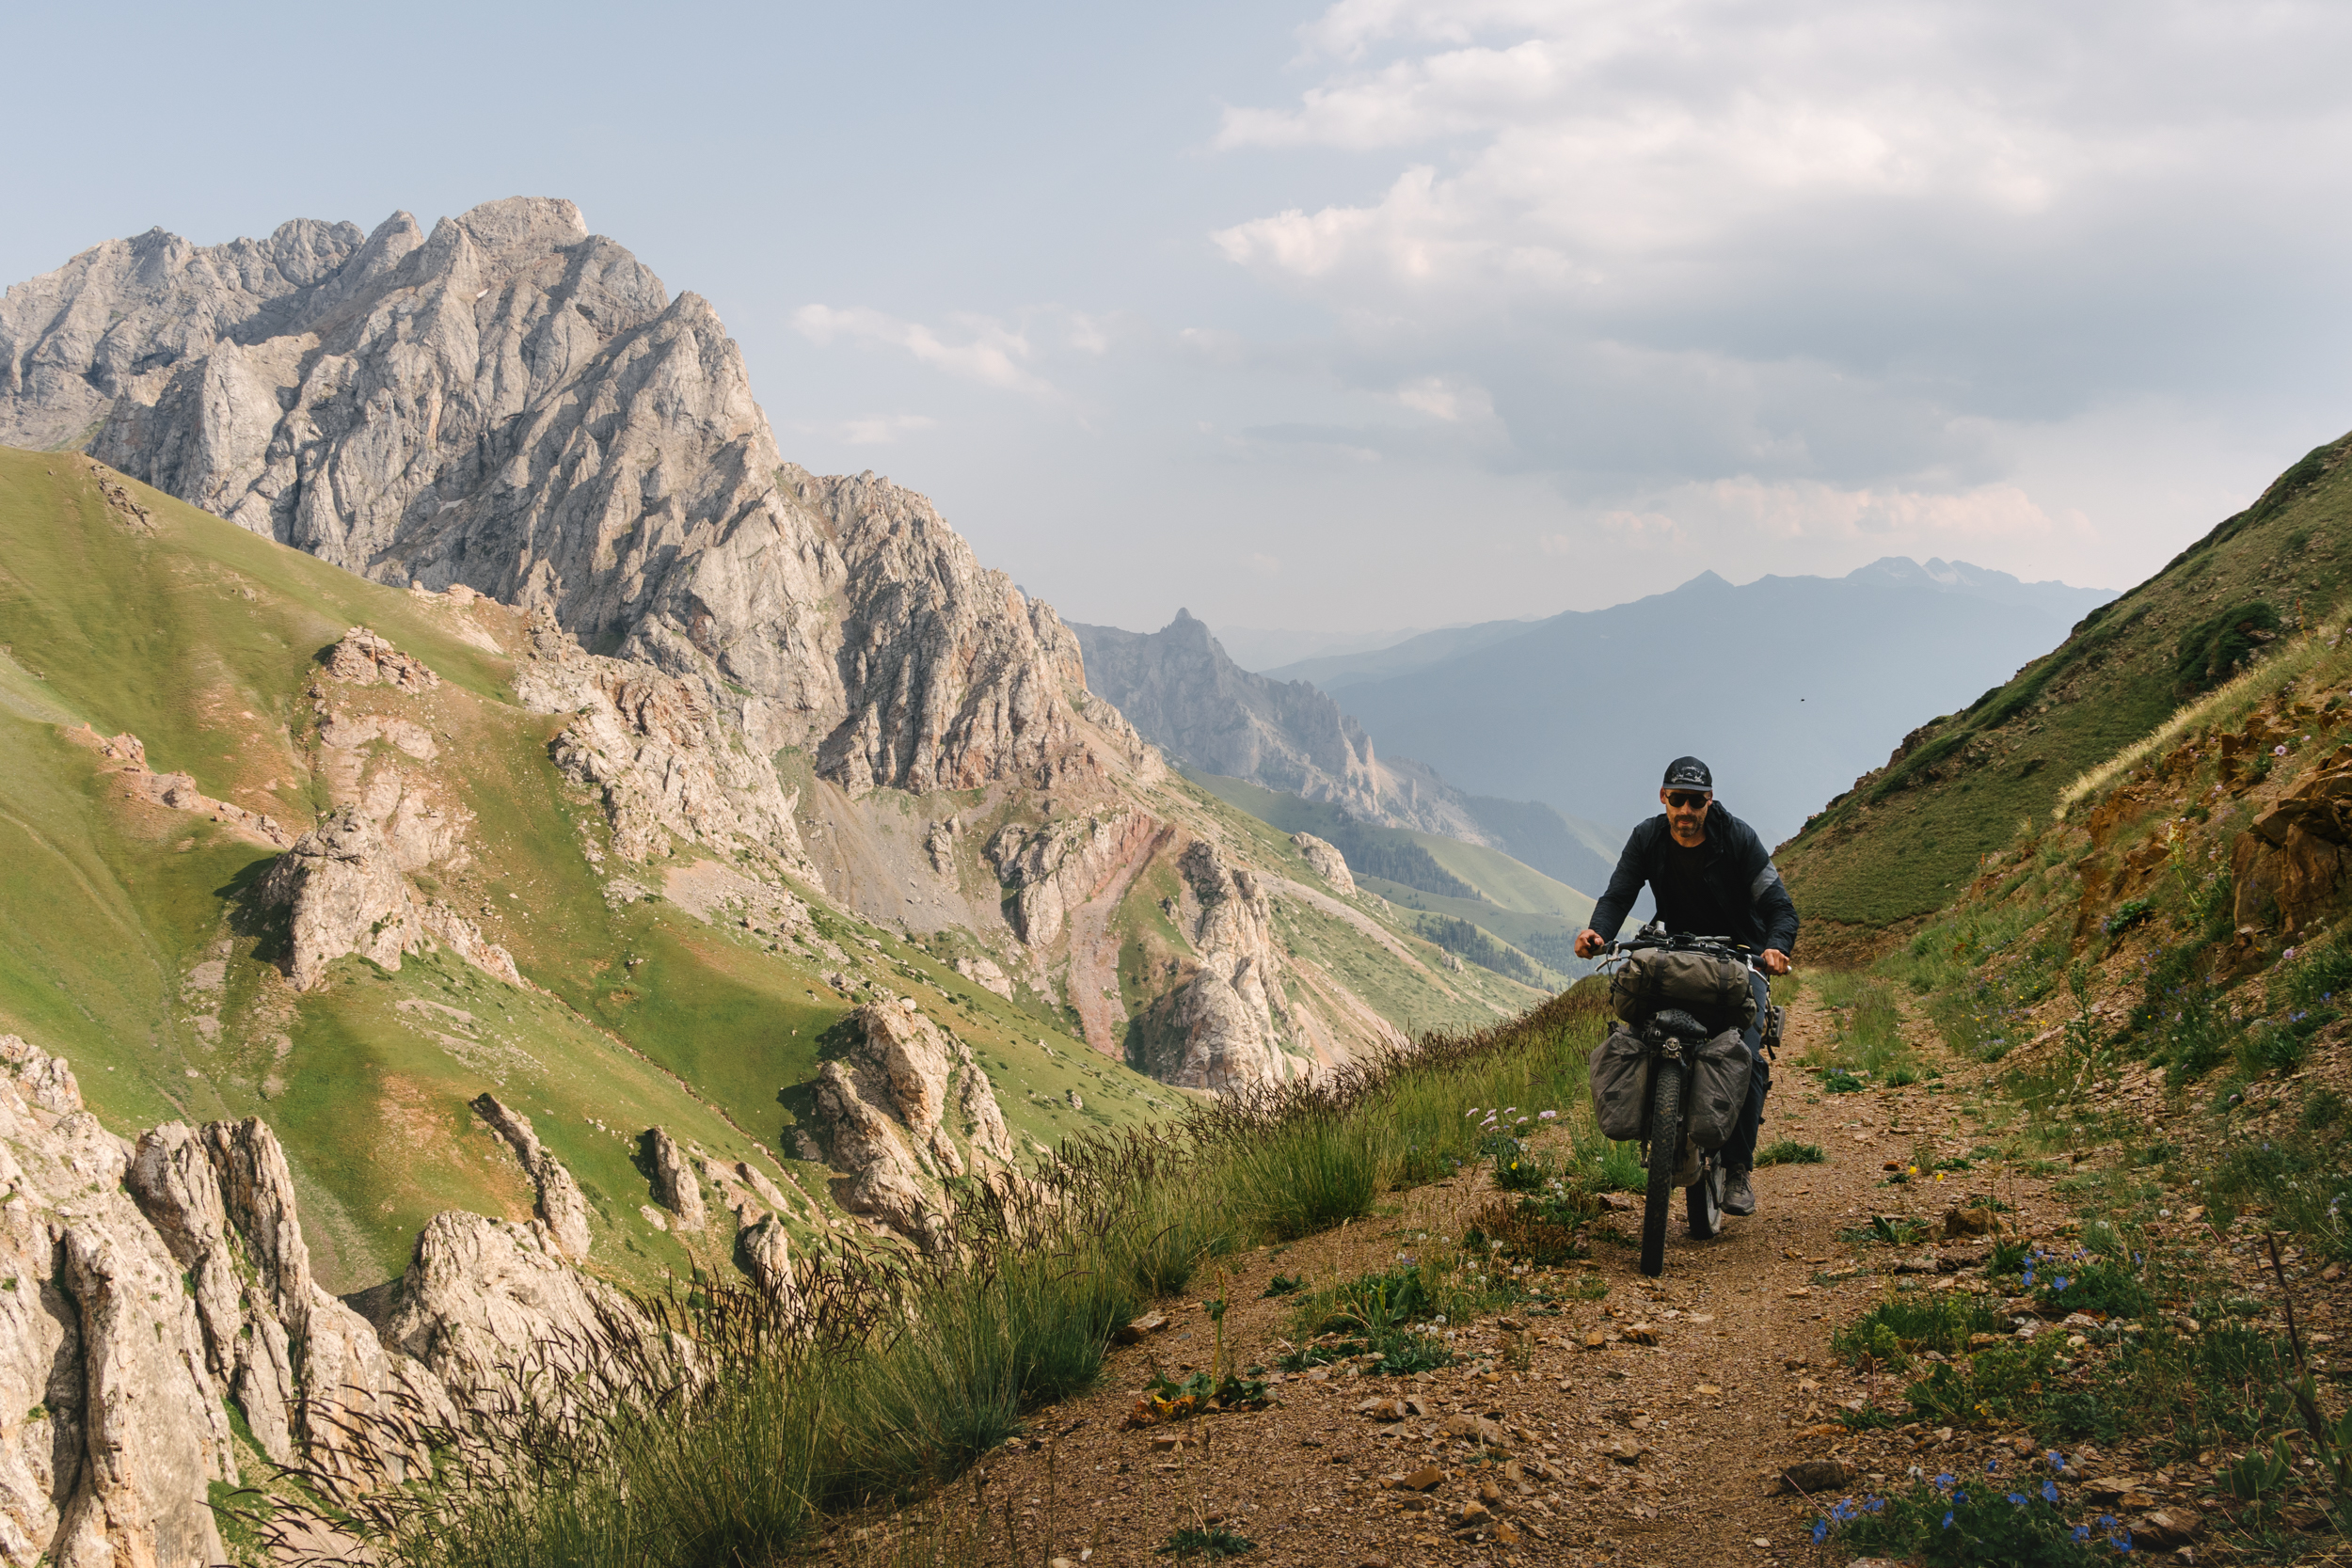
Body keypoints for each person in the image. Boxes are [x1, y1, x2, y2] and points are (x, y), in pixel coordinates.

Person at [1572, 756, 1798, 1217]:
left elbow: (1780, 907)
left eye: (1696, 802)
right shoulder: (1647, 837)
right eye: (1678, 800)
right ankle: (1656, 1110)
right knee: (1635, 1032)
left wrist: (1773, 949)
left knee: (1745, 1054)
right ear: (1663, 798)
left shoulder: (1739, 839)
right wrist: (1597, 932)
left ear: (1710, 802)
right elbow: (1619, 894)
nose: (1686, 811)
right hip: (1674, 951)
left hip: (1739, 959)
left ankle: (1737, 1170)